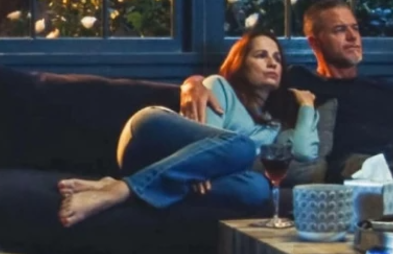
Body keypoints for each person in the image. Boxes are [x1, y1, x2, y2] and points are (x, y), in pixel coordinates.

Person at [180, 0, 393, 213]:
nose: (353, 37)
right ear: (315, 41)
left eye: (355, 28)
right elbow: (239, 81)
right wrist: (193, 83)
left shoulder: (388, 89)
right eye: (340, 30)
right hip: (353, 167)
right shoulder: (297, 80)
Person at [58, 30, 318, 227]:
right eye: (261, 55)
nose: (272, 63)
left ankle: (119, 186)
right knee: (243, 147)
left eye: (277, 58)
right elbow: (206, 140)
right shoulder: (218, 87)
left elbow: (305, 153)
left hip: (174, 169)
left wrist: (306, 105)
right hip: (150, 134)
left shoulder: (273, 125)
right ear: (241, 63)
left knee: (258, 188)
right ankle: (121, 191)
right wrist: (203, 167)